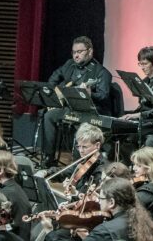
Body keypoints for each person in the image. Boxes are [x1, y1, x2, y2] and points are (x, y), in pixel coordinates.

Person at [42, 36, 113, 167]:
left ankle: (77, 163)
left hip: (90, 112)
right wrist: (56, 97)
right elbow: (52, 81)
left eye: (80, 52)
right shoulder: (69, 65)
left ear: (90, 51)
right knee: (48, 116)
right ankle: (48, 159)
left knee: (81, 125)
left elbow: (104, 96)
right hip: (70, 108)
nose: (76, 55)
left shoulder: (102, 73)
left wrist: (91, 94)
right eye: (74, 52)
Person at [63, 177, 153, 241]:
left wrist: (50, 232)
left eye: (101, 199)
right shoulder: (143, 221)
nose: (99, 202)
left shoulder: (105, 230)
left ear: (111, 203)